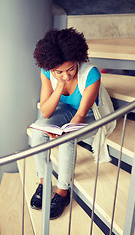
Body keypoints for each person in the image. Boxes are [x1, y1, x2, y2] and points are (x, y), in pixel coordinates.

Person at [30, 28, 116, 220]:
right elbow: (46, 111)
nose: (67, 76)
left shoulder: (91, 74)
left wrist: (61, 132)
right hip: (65, 109)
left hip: (89, 115)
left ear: (77, 59)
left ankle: (62, 192)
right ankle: (44, 183)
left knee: (68, 138)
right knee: (37, 134)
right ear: (51, 68)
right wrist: (59, 85)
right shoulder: (47, 71)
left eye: (70, 69)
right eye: (59, 72)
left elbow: (79, 117)